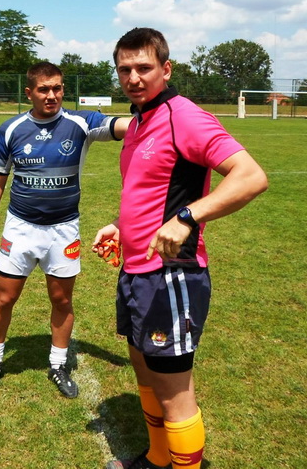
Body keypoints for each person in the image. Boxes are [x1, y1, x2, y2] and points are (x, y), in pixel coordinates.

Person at [92, 28, 268, 469]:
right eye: (125, 69)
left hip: (171, 276)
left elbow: (251, 176)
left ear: (166, 69)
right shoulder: (138, 121)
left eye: (144, 68)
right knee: (146, 373)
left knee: (175, 394)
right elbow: (149, 190)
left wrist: (188, 217)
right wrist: (119, 226)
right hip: (136, 272)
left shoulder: (183, 116)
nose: (133, 78)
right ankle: (156, 459)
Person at [0, 61, 129, 398]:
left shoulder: (80, 123)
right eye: (43, 89)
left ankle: (58, 365)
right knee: (5, 297)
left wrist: (156, 116)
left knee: (61, 299)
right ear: (29, 92)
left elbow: (122, 126)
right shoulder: (11, 129)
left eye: (57, 88)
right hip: (20, 228)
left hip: (63, 230)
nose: (51, 95)